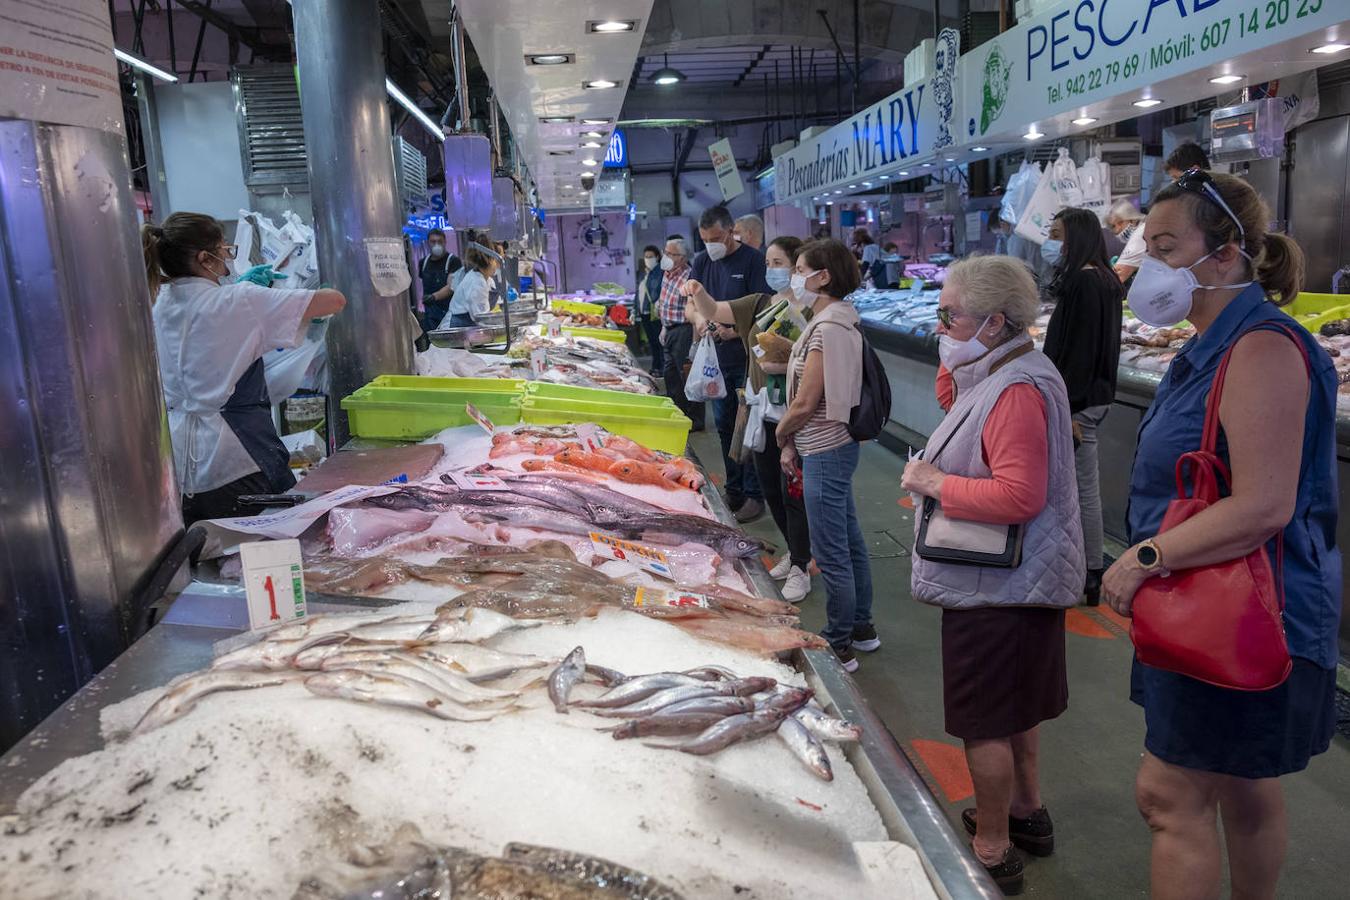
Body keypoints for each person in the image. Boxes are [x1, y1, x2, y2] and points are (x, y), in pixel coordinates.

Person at [1102, 170, 1340, 900]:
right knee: (1243, 787)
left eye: (1167, 246)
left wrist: (1143, 558)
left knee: (1169, 796)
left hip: (1246, 614)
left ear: (1226, 255)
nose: (1150, 264)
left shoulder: (1261, 350)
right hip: (1214, 610)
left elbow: (1264, 505)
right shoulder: (1206, 347)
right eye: (1148, 246)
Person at [900, 255, 1082, 895]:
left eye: (952, 315)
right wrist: (956, 370)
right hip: (1024, 580)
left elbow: (1017, 496)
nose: (942, 325)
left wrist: (932, 482)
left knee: (985, 720)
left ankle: (994, 842)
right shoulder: (1010, 370)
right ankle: (1027, 811)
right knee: (1018, 706)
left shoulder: (1016, 390)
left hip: (998, 585)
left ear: (996, 322)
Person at [144, 212, 347, 524]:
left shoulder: (159, 303)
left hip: (179, 467)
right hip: (236, 462)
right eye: (225, 251)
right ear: (204, 258)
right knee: (267, 555)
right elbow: (333, 301)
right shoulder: (239, 301)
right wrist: (293, 291)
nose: (228, 260)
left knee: (210, 560)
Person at [683, 235, 813, 601]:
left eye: (780, 263)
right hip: (762, 410)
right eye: (769, 263)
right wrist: (698, 292)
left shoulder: (813, 312)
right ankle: (794, 551)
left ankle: (804, 564)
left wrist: (784, 363)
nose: (773, 270)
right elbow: (714, 310)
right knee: (771, 486)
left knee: (795, 493)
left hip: (798, 412)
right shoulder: (759, 303)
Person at [776, 239, 874, 670]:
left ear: (823, 277)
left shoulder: (829, 328)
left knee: (831, 551)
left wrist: (782, 434)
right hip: (833, 447)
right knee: (849, 543)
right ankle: (862, 627)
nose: (794, 278)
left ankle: (838, 644)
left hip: (824, 448)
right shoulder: (834, 321)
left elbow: (807, 400)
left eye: (799, 269)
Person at [1041, 208, 1124, 605]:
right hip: (1096, 394)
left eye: (1058, 234)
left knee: (1081, 489)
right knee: (1078, 486)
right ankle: (1085, 567)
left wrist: (1067, 407)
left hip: (1079, 402)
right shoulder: (1105, 279)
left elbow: (1079, 351)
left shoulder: (1084, 283)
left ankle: (1091, 572)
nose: (1053, 242)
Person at [690, 206, 770, 522]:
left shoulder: (752, 262)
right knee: (724, 428)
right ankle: (733, 490)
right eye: (705, 239)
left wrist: (733, 331)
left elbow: (763, 312)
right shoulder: (701, 261)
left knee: (747, 428)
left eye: (716, 238)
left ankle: (754, 494)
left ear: (730, 230)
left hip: (746, 360)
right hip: (716, 362)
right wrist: (699, 320)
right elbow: (692, 304)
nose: (712, 245)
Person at [657, 236, 703, 430]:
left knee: (687, 375)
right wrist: (664, 327)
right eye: (665, 252)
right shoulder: (667, 273)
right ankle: (678, 414)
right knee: (671, 375)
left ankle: (695, 419)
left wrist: (694, 342)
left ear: (682, 257)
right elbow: (664, 303)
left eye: (670, 253)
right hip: (670, 330)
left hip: (685, 330)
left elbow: (696, 309)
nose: (665, 256)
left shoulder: (689, 277)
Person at [442, 243, 498, 329]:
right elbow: (481, 318)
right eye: (495, 260)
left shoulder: (484, 279)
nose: (496, 265)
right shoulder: (477, 282)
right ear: (489, 261)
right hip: (462, 329)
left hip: (470, 327)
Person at [418, 228, 461, 332]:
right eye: (433, 242)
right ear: (428, 243)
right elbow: (420, 285)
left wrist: (433, 297)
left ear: (445, 242)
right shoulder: (423, 262)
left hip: (449, 313)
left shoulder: (453, 261)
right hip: (430, 315)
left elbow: (451, 286)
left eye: (440, 241)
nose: (436, 244)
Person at [635, 245, 665, 374]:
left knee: (659, 342)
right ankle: (656, 366)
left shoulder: (660, 272)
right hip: (645, 313)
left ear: (657, 257)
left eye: (651, 256)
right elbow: (639, 293)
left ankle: (662, 368)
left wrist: (659, 302)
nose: (648, 259)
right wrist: (635, 310)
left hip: (655, 314)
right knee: (652, 342)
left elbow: (661, 291)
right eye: (646, 257)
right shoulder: (644, 273)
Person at [1108, 199, 1148, 283]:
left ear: (1132, 220)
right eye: (1113, 226)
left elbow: (1116, 279)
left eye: (1120, 223)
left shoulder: (1139, 235)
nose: (1117, 229)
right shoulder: (1144, 227)